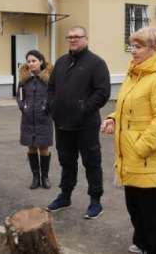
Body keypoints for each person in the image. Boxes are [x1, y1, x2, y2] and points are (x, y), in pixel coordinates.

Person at [101, 27, 156, 254]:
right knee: (135, 206)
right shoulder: (135, 73)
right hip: (130, 156)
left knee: (153, 211)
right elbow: (127, 109)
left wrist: (141, 148)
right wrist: (113, 119)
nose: (132, 51)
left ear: (155, 49)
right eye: (132, 46)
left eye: (139, 46)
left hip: (147, 157)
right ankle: (143, 242)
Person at [46, 25, 111, 219]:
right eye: (69, 37)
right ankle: (65, 196)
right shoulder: (61, 62)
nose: (72, 39)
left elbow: (102, 92)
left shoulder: (96, 63)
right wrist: (52, 106)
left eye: (77, 36)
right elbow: (51, 88)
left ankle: (95, 201)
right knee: (66, 162)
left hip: (86, 124)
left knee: (92, 163)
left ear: (86, 39)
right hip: (62, 123)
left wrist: (83, 109)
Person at [17, 50, 54, 189]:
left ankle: (45, 177)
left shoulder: (48, 78)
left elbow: (53, 95)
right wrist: (23, 107)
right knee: (31, 147)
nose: (31, 64)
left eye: (34, 61)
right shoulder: (24, 80)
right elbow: (20, 97)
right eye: (29, 61)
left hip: (44, 119)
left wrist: (47, 106)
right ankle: (35, 177)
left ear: (41, 61)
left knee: (44, 148)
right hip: (28, 120)